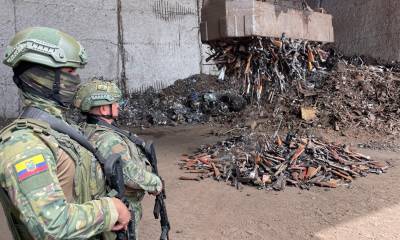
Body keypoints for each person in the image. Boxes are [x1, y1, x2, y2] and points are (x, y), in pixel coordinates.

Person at [0, 27, 131, 239]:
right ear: (42, 77)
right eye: (70, 72)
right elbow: (51, 226)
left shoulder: (58, 130)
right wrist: (111, 209)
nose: (77, 80)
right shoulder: (24, 144)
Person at [74, 79, 163, 238]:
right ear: (103, 108)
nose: (118, 105)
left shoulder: (84, 130)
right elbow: (129, 175)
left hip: (101, 205)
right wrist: (155, 183)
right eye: (115, 102)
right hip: (120, 207)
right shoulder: (108, 139)